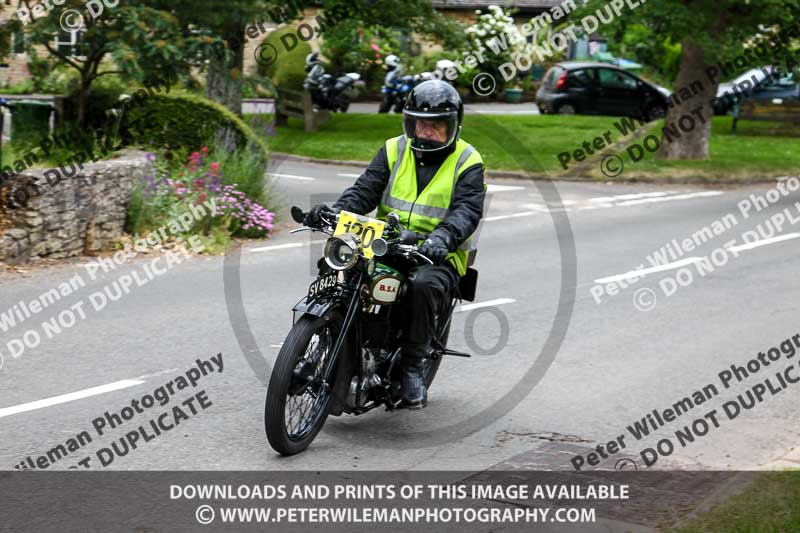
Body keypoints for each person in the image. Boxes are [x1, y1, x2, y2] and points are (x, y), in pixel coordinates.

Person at [304, 80, 486, 409]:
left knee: (420, 287)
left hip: (436, 254)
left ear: (454, 126)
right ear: (410, 122)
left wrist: (442, 238)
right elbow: (365, 190)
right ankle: (333, 340)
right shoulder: (394, 149)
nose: (427, 132)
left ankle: (412, 368)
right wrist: (336, 212)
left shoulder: (467, 160)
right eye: (421, 124)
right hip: (385, 243)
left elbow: (467, 210)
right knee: (342, 267)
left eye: (437, 126)